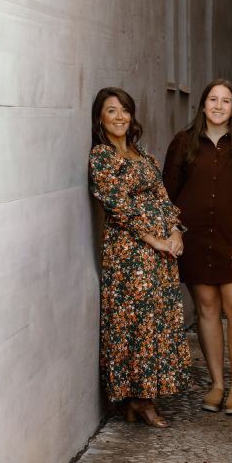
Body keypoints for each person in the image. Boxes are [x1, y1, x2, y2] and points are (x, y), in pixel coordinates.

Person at [163, 79, 232, 415]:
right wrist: (175, 231)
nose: (219, 106)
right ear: (203, 104)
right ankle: (217, 384)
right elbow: (168, 193)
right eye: (213, 99)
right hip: (195, 240)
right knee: (207, 310)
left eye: (226, 100)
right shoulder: (183, 142)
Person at [88, 87, 190, 428]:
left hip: (159, 253)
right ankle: (140, 399)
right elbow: (118, 206)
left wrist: (174, 231)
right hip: (129, 254)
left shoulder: (139, 152)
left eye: (125, 110)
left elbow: (162, 196)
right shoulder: (102, 157)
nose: (120, 117)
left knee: (156, 320)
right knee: (135, 323)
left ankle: (142, 398)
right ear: (100, 118)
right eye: (111, 110)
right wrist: (154, 240)